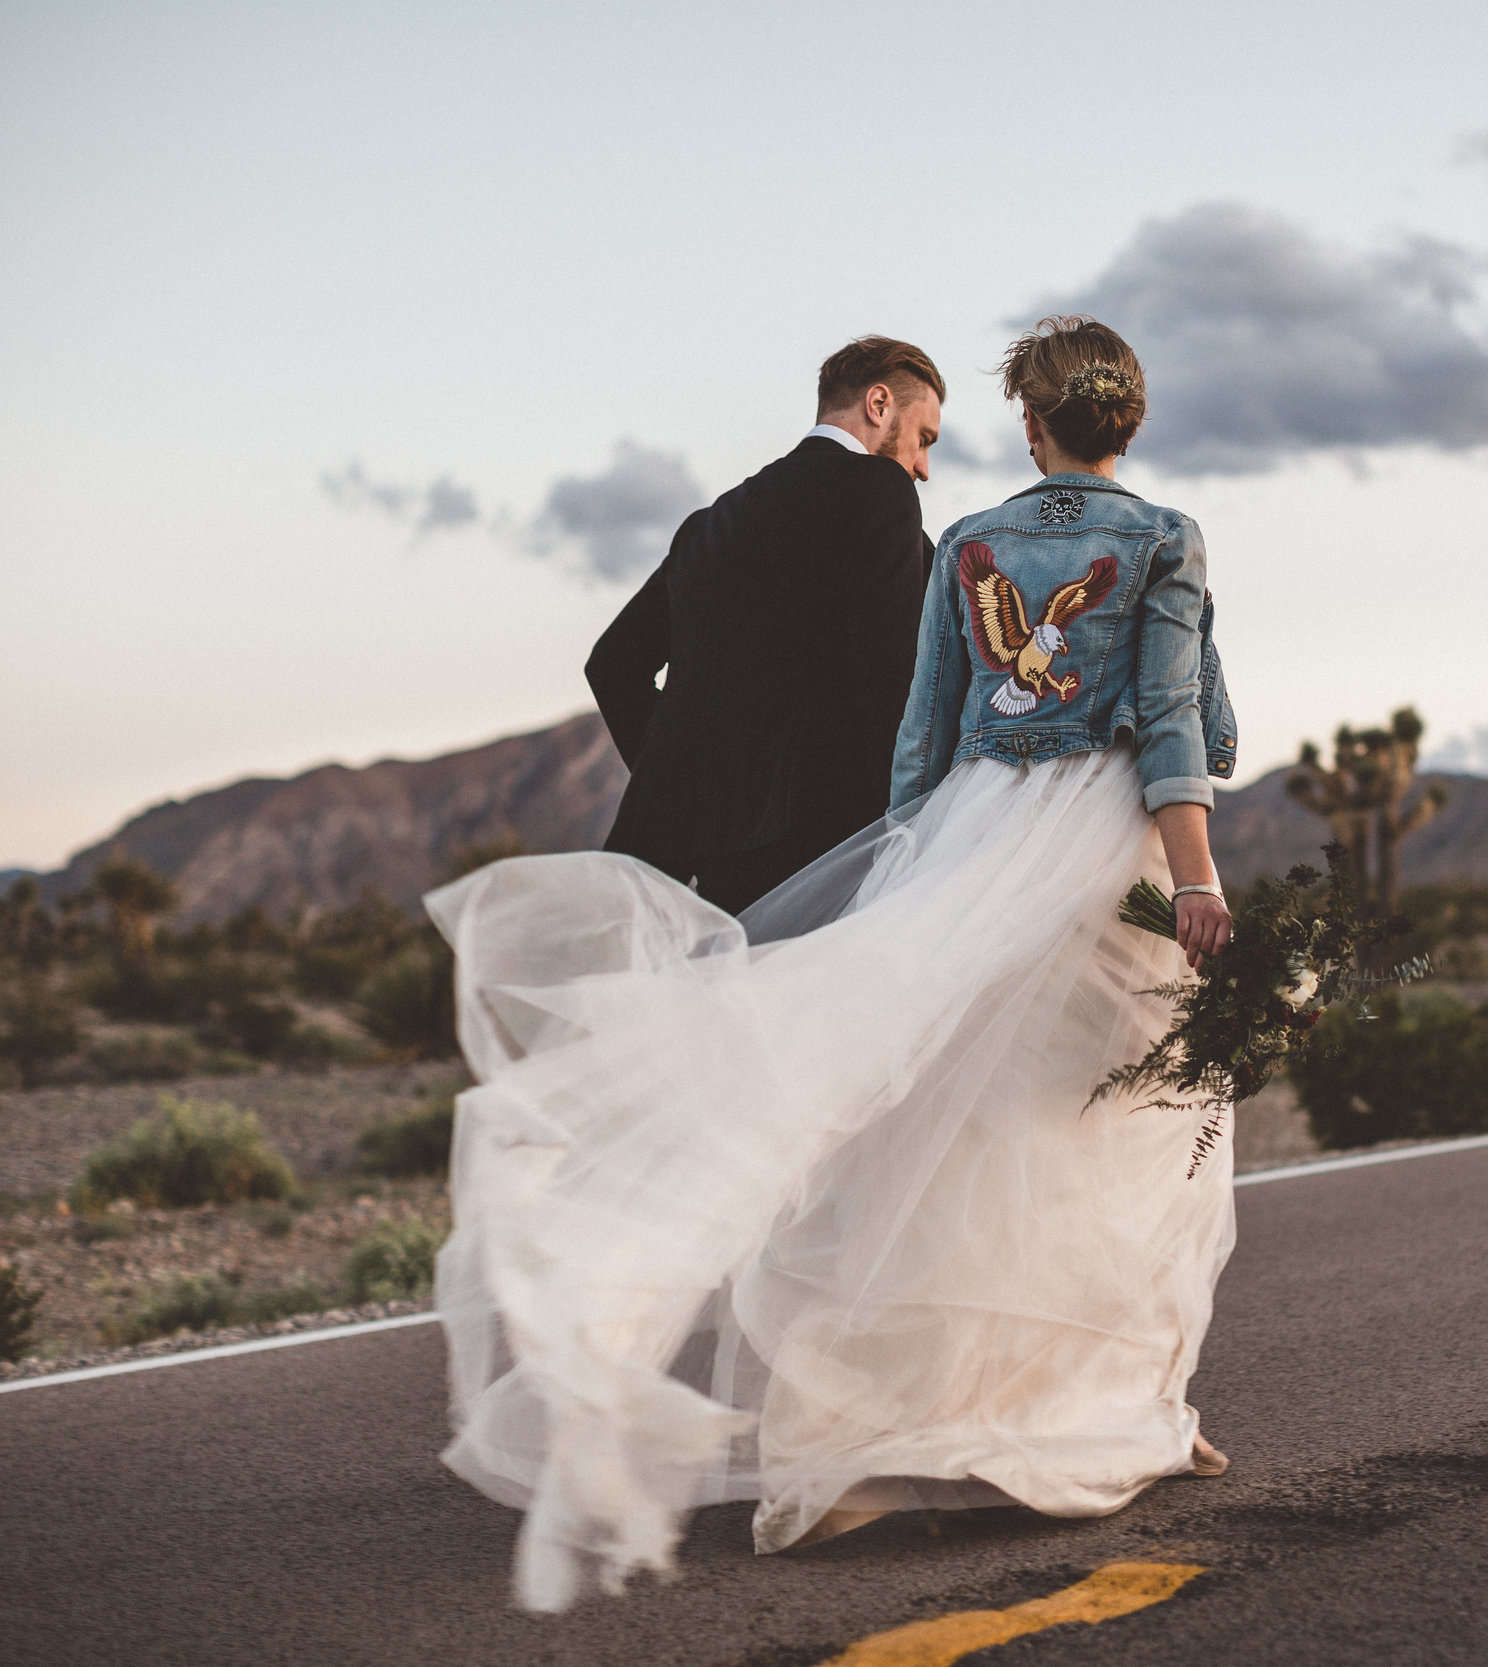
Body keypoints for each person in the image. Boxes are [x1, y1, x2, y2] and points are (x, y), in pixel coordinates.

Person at [426, 315, 1243, 1611]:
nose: (926, 460)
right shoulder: (1103, 535)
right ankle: (1121, 1404)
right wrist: (1186, 874)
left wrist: (803, 830)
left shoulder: (816, 529)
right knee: (1115, 1116)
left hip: (823, 857)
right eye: (918, 433)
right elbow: (1175, 728)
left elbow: (904, 728)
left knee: (878, 1122)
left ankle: (819, 1401)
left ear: (1035, 422)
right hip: (1021, 854)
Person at [588, 336, 943, 913]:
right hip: (826, 859)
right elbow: (891, 684)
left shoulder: (710, 524)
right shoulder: (879, 491)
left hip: (698, 867)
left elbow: (612, 666)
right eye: (924, 439)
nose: (923, 467)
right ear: (879, 405)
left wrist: (692, 793)